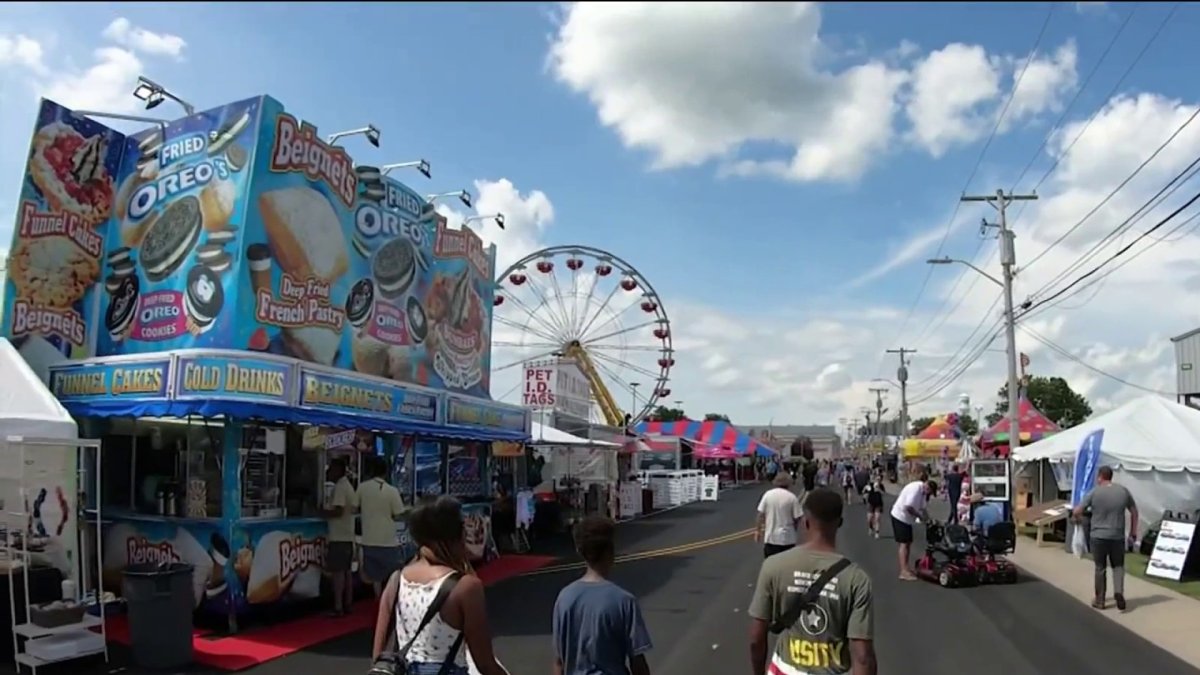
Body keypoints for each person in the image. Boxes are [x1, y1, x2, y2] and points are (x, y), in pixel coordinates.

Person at [371, 496, 508, 675]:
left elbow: (378, 655)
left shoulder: (396, 580)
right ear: (456, 536)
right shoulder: (465, 587)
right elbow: (484, 663)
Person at [748, 488, 876, 675]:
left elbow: (756, 639)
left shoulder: (773, 566)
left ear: (805, 523)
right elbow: (863, 656)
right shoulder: (856, 579)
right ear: (839, 523)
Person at [553, 516, 652, 675]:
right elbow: (637, 661)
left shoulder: (564, 598)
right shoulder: (624, 601)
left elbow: (560, 660)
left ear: (580, 551)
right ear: (610, 552)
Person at [1072, 465, 1139, 611]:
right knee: (1118, 566)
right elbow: (1134, 512)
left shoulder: (1094, 492)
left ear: (1100, 477)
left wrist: (1076, 518)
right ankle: (1119, 592)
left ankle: (1100, 600)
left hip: (1098, 536)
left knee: (1100, 567)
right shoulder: (1123, 491)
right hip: (1117, 536)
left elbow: (1078, 510)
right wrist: (1133, 533)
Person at [358, 455, 406, 596]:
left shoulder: (362, 488)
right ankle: (390, 601)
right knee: (391, 575)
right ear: (386, 472)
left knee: (375, 577)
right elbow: (398, 514)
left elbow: (354, 508)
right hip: (388, 540)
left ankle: (379, 600)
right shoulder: (392, 491)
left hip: (369, 539)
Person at [321, 457, 357, 616]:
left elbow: (338, 510)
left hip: (339, 536)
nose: (328, 471)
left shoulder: (341, 488)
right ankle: (347, 604)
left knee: (338, 573)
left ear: (338, 470)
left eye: (331, 468)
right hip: (347, 535)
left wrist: (322, 512)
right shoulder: (347, 486)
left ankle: (338, 606)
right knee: (347, 572)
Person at [890, 475, 935, 581]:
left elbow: (923, 509)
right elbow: (908, 507)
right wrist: (919, 516)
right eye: (930, 492)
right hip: (900, 517)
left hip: (907, 520)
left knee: (909, 542)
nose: (929, 495)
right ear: (927, 487)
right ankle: (903, 571)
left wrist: (929, 520)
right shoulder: (916, 489)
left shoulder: (923, 493)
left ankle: (906, 567)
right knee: (904, 544)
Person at [756, 472, 803, 558]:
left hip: (771, 538)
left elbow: (760, 514)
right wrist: (794, 528)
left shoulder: (767, 495)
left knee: (770, 565)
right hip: (788, 539)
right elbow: (797, 517)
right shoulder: (791, 497)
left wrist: (758, 531)